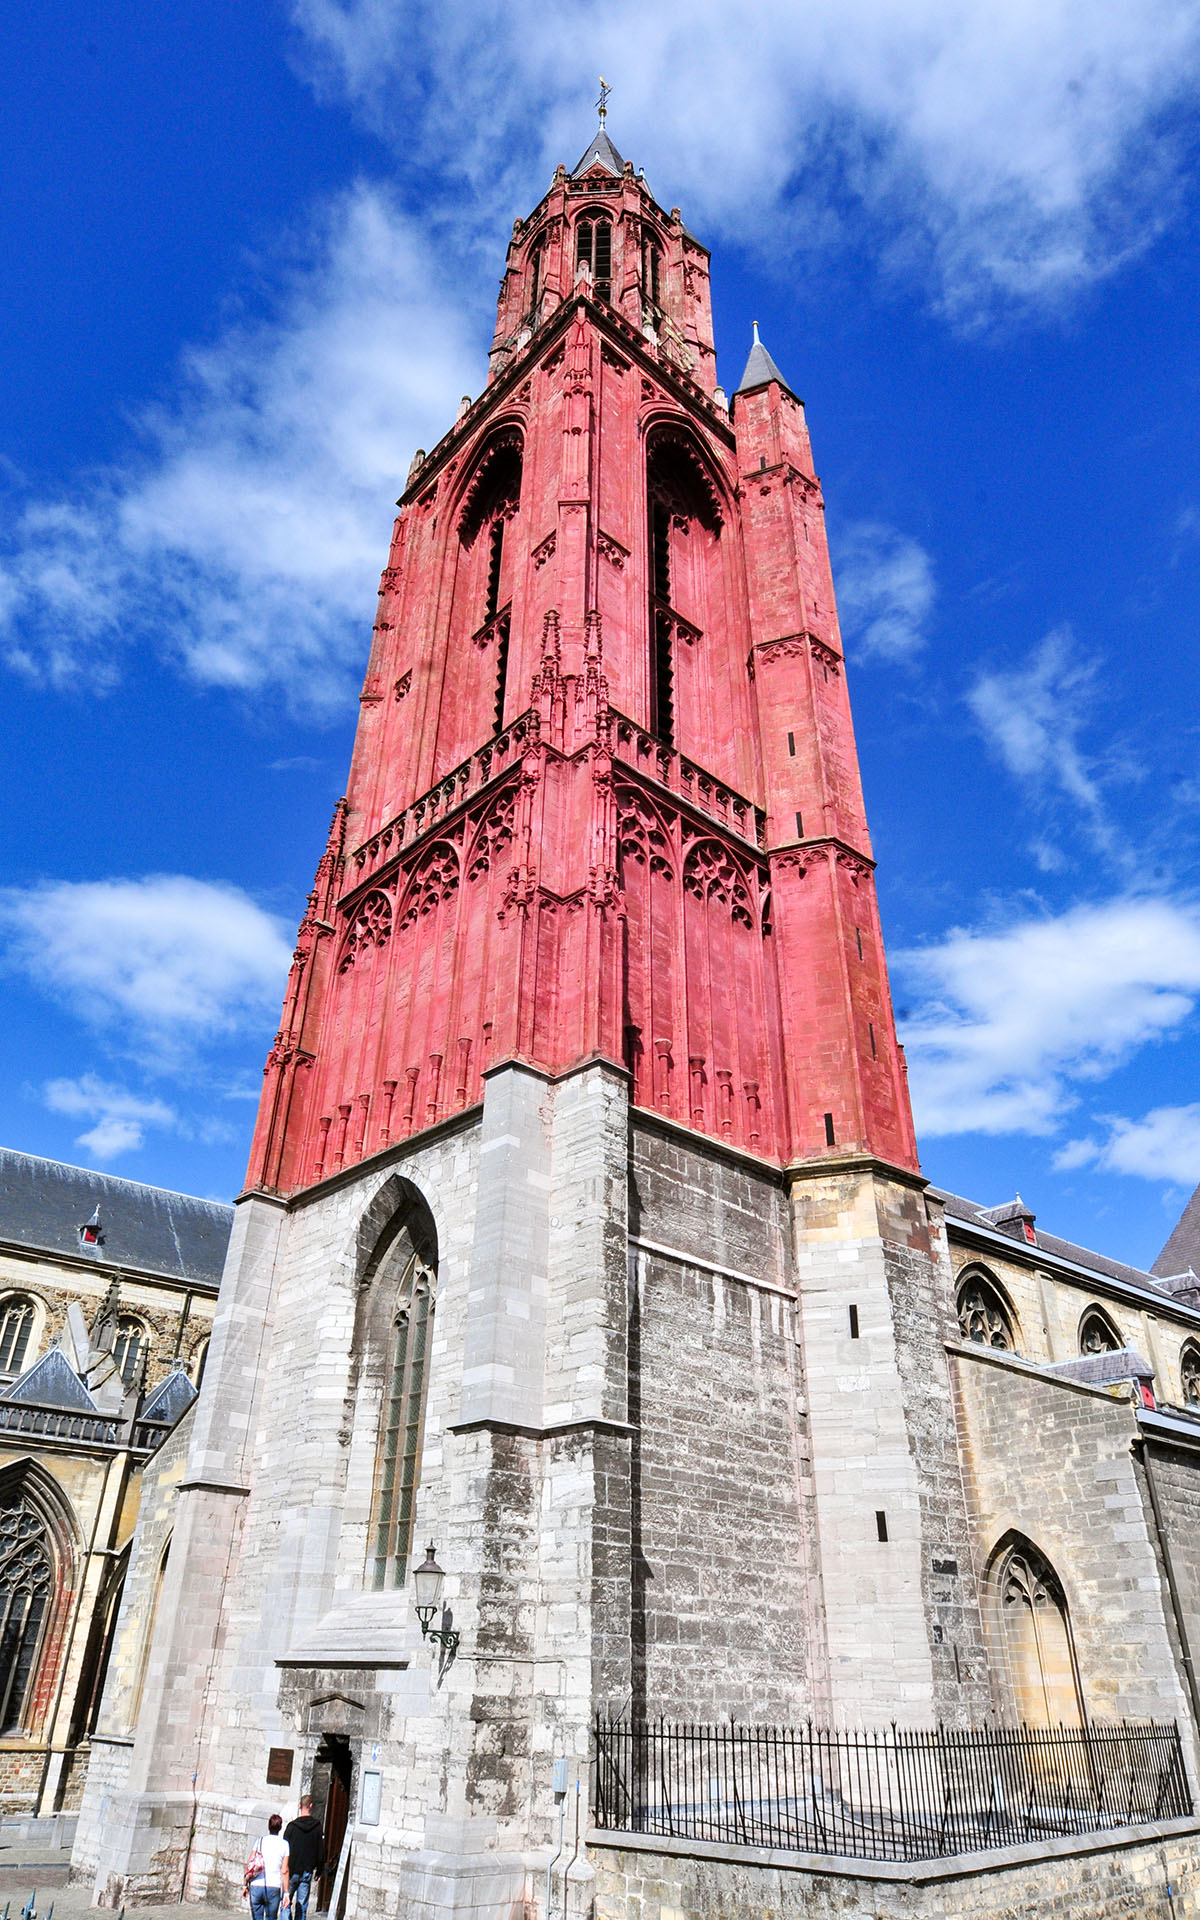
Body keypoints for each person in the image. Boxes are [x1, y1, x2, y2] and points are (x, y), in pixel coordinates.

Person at [283, 1796, 326, 1920]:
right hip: (306, 1870)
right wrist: (319, 1870)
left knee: (285, 1902)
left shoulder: (291, 1827)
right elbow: (320, 1851)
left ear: (299, 1806)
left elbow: (284, 1849)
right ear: (311, 1806)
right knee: (301, 1906)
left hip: (291, 1870)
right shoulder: (317, 1827)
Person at [245, 1812, 289, 1920]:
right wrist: (286, 1893)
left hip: (256, 1885)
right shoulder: (284, 1844)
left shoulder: (259, 1841)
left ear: (268, 1826)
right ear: (280, 1827)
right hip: (274, 1886)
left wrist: (245, 1885)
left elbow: (249, 1864)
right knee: (271, 1917)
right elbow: (284, 1870)